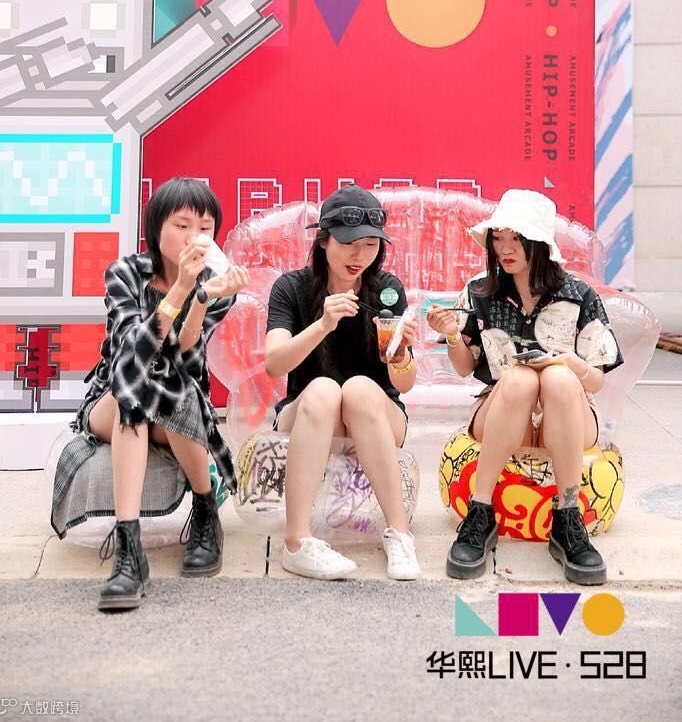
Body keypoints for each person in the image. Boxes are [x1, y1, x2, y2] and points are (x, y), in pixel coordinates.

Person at [50, 177, 249, 611]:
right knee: (136, 393)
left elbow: (187, 357)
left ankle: (205, 513)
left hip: (177, 403)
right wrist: (180, 289)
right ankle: (129, 550)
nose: (195, 237)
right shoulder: (125, 274)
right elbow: (132, 354)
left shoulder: (216, 284)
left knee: (168, 387)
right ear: (156, 228)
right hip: (113, 399)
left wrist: (202, 297)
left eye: (205, 228)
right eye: (182, 225)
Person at [427, 189, 623, 585]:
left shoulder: (579, 295)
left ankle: (567, 520)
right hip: (502, 408)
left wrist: (570, 364)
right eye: (498, 238)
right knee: (519, 378)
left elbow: (597, 380)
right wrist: (451, 335)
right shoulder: (479, 292)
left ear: (540, 243)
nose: (505, 248)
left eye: (516, 238)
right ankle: (480, 514)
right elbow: (465, 368)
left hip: (567, 410)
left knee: (556, 377)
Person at [264, 184, 421, 580]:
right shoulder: (291, 288)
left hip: (377, 415)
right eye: (349, 244)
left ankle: (400, 534)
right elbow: (274, 364)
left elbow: (404, 384)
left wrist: (401, 354)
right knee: (326, 389)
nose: (359, 256)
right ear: (323, 240)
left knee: (358, 389)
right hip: (309, 414)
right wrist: (322, 324)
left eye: (370, 245)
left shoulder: (387, 291)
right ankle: (296, 543)